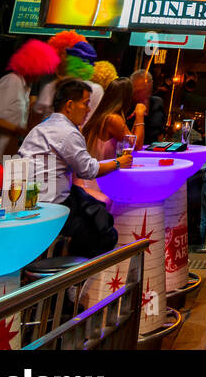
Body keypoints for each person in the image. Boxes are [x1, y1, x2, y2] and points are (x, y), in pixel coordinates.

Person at [19, 79, 130, 257]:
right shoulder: (68, 132)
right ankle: (73, 276)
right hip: (49, 207)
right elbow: (88, 170)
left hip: (26, 202)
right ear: (69, 105)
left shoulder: (42, 127)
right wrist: (119, 163)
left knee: (88, 204)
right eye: (85, 104)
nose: (88, 110)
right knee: (103, 234)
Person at [0, 40, 59, 156]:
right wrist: (22, 131)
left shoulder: (25, 87)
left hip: (9, 150)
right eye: (40, 71)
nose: (40, 76)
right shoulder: (12, 81)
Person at [131, 70, 167, 144]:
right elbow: (128, 139)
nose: (144, 93)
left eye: (146, 88)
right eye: (139, 91)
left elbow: (160, 133)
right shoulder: (129, 106)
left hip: (154, 151)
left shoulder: (158, 102)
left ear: (151, 85)